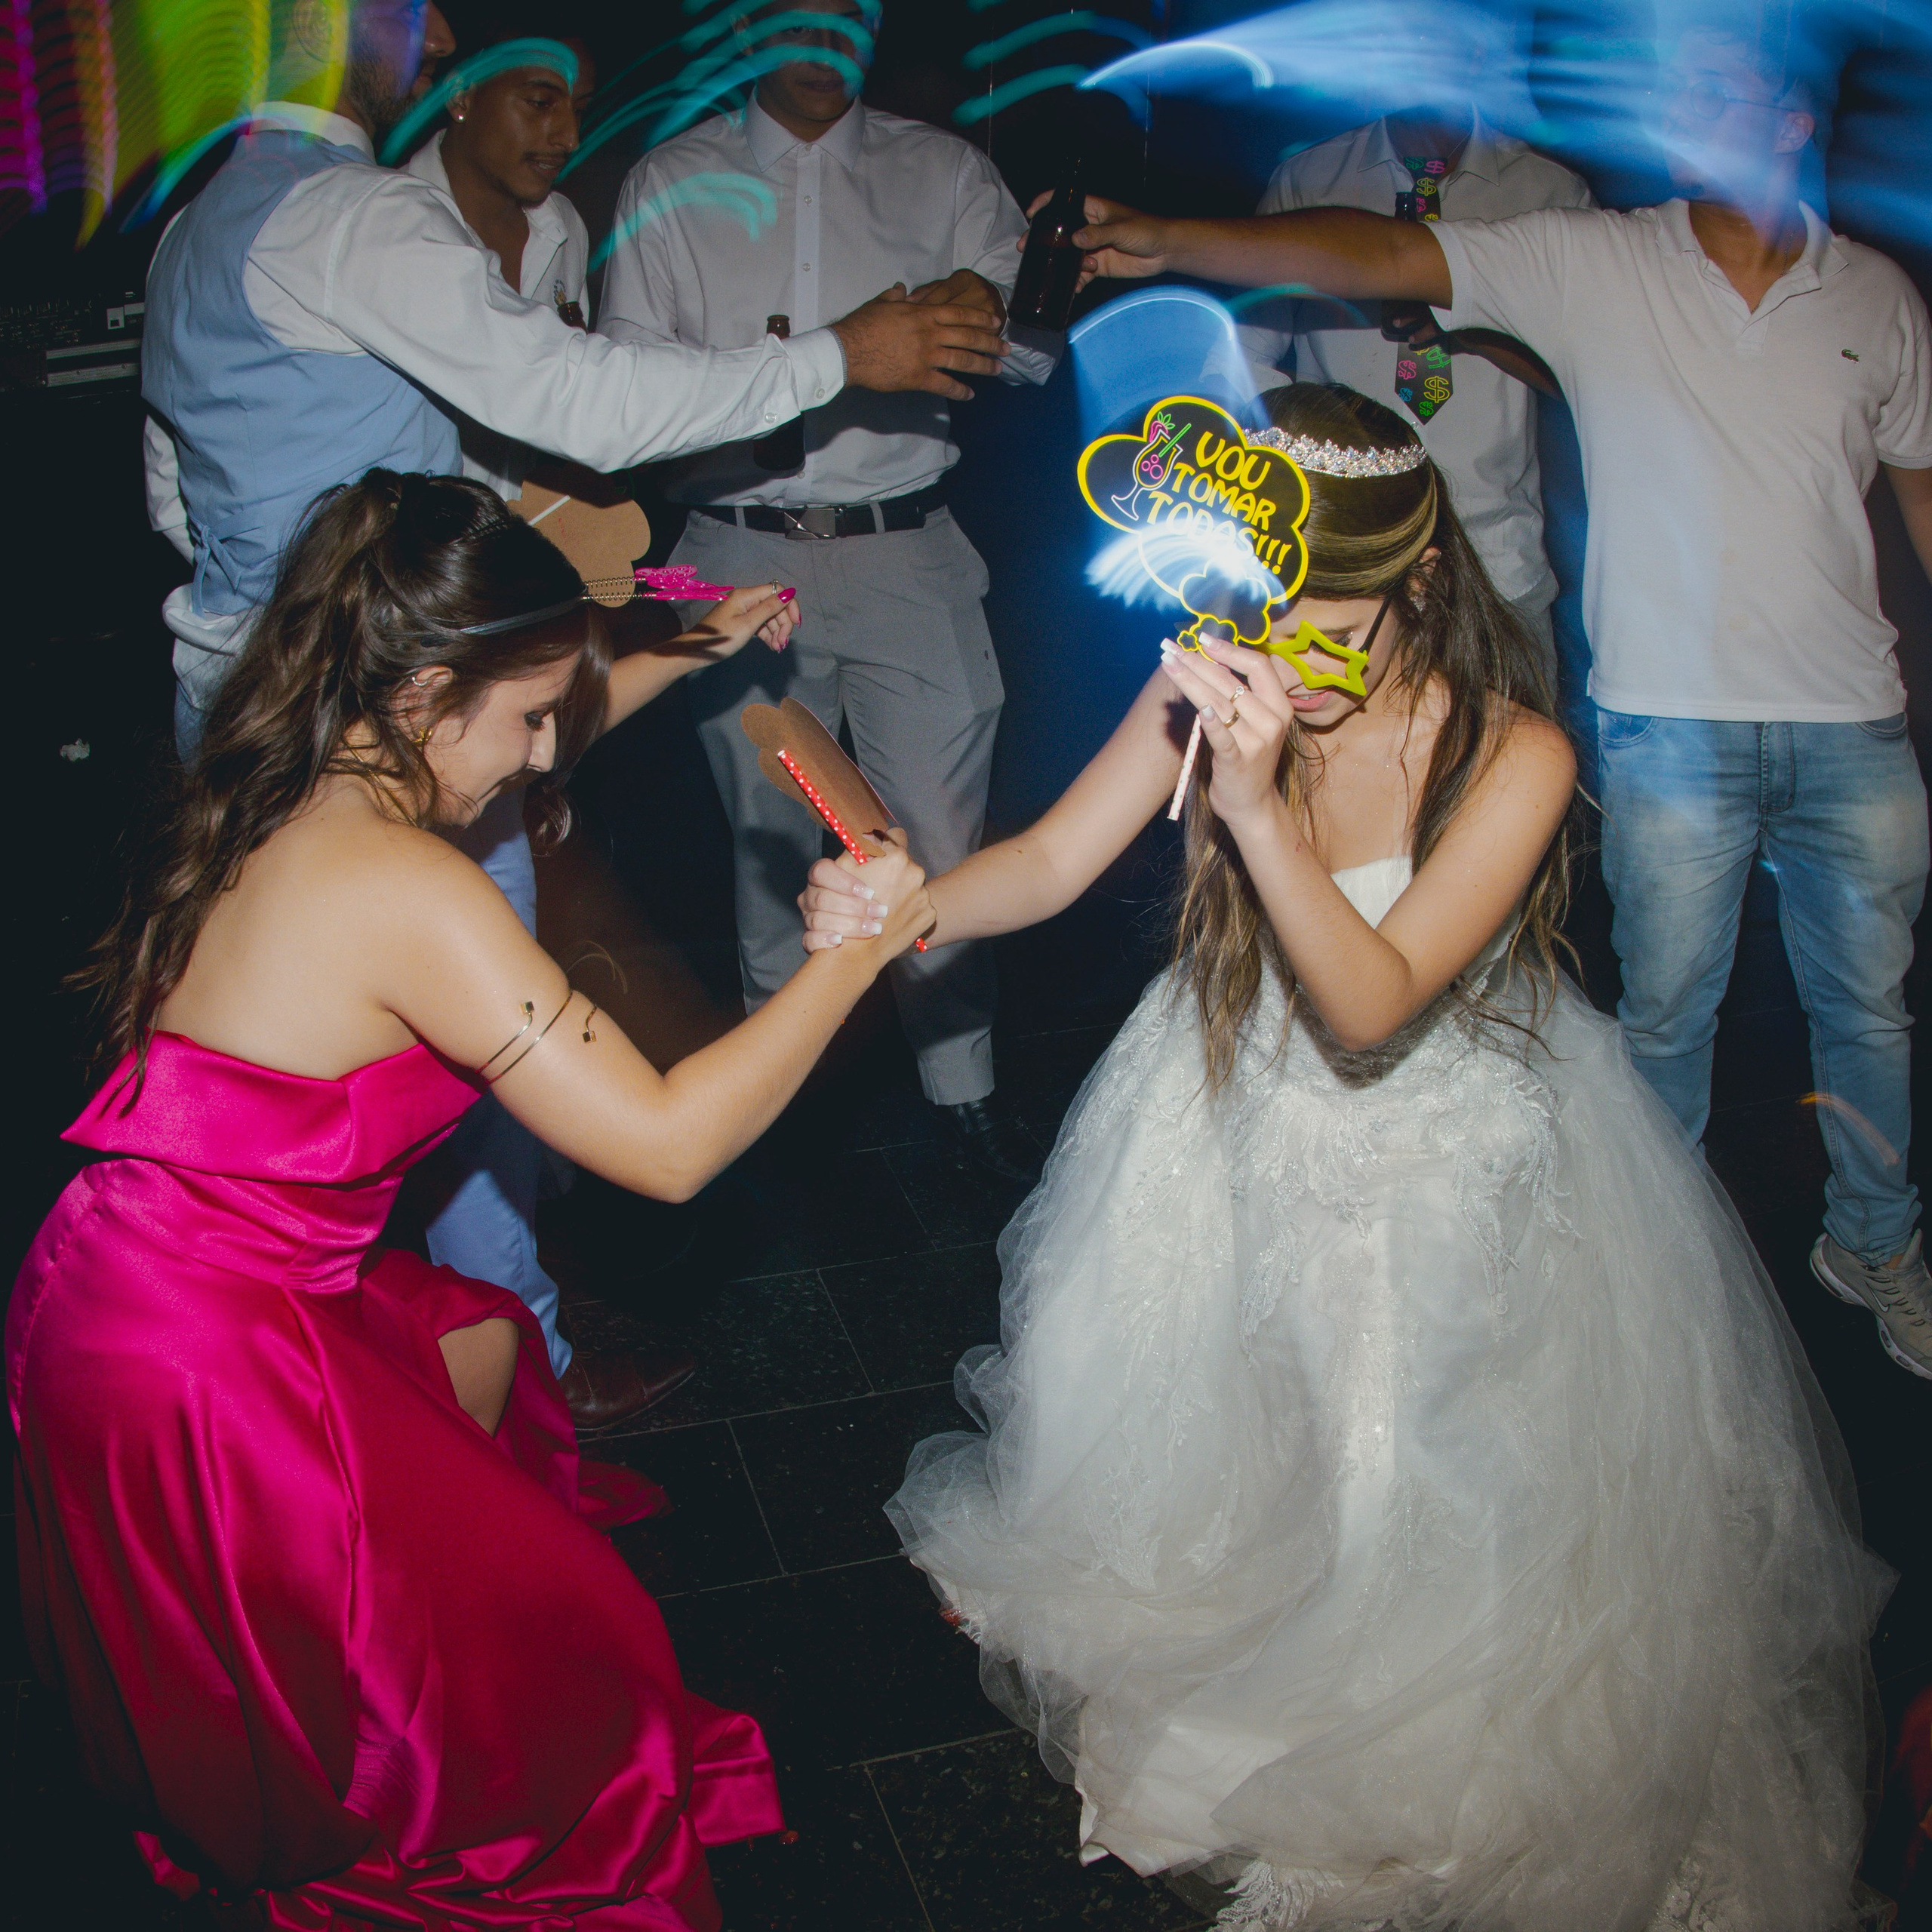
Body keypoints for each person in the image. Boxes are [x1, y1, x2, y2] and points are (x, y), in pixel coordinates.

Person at [800, 385, 1884, 1929]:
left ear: (1422, 579)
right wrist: (901, 904)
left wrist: (1254, 811)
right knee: (1241, 1405)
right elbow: (1045, 860)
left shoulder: (1513, 753)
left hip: (1440, 1147)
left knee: (1412, 1452)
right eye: (1258, 599)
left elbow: (1370, 1001)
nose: (1283, 643)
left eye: (1327, 609)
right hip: (1225, 1100)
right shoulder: (1206, 674)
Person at [11, 472, 931, 1927]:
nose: (538, 754)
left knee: (480, 1356)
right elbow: (673, 1146)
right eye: (524, 716)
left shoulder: (285, 778)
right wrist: (854, 954)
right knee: (511, 1691)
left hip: (118, 1283)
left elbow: (518, 738)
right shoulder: (409, 890)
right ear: (426, 684)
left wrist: (657, 655)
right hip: (200, 1357)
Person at [1065, 14, 1932, 1379]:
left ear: (1791, 118)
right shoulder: (1599, 250)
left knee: (1868, 1010)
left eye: (1711, 88)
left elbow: (1915, 494)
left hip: (1812, 691)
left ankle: (1871, 1246)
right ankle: (1649, 1282)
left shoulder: (1862, 291)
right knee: (1662, 1014)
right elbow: (1376, 253)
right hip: (1640, 702)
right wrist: (1176, 240)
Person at [141, 0, 1008, 754]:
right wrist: (844, 353)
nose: (436, 34)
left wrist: (694, 591)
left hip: (243, 688)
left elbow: (176, 501)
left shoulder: (196, 222)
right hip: (364, 706)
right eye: (407, 9)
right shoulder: (362, 214)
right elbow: (583, 406)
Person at [598, 0, 1057, 1185]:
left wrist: (1019, 302)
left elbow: (1031, 350)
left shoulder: (946, 169)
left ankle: (964, 1094)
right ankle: (781, 1106)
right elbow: (621, 390)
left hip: (910, 542)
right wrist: (796, 364)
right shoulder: (671, 179)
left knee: (944, 848)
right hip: (729, 550)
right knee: (769, 846)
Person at [398, 17, 688, 1423]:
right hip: (416, 663)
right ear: (452, 97)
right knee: (469, 1009)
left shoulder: (562, 232)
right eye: (533, 101)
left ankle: (513, 1298)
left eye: (576, 108)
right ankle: (527, 1367)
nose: (560, 135)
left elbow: (562, 430)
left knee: (507, 984)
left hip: (523, 642)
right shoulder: (375, 232)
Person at [1239, 61, 1592, 673]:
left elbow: (1594, 378)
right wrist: (1312, 472)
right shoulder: (1311, 182)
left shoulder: (1551, 194)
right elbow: (1244, 360)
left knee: (1513, 760)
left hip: (1499, 559)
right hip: (1344, 565)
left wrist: (1477, 326)